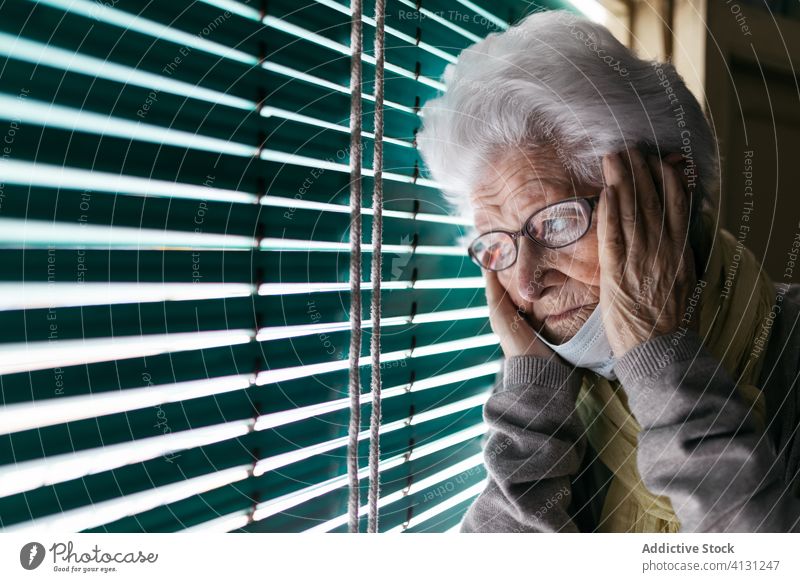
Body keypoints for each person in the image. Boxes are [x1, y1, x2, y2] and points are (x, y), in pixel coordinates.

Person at [416, 10, 800, 532]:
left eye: (554, 222)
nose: (527, 283)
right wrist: (531, 407)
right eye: (498, 245)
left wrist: (661, 366)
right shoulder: (557, 399)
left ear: (667, 195)